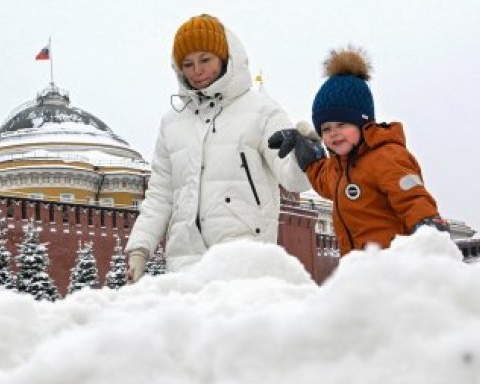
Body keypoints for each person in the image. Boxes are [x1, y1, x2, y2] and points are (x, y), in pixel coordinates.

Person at [125, 14, 311, 282]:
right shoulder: (172, 121)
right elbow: (161, 194)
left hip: (244, 255)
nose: (197, 70)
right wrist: (140, 249)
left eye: (205, 60)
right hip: (184, 261)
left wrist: (307, 158)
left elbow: (293, 179)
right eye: (187, 64)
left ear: (225, 57)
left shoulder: (261, 111)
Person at [268, 46, 447, 256]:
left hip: (396, 265)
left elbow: (412, 196)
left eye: (342, 125)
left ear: (363, 123)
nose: (334, 133)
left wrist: (427, 223)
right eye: (326, 129)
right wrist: (309, 154)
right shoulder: (338, 168)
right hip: (359, 269)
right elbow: (322, 178)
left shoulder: (387, 157)